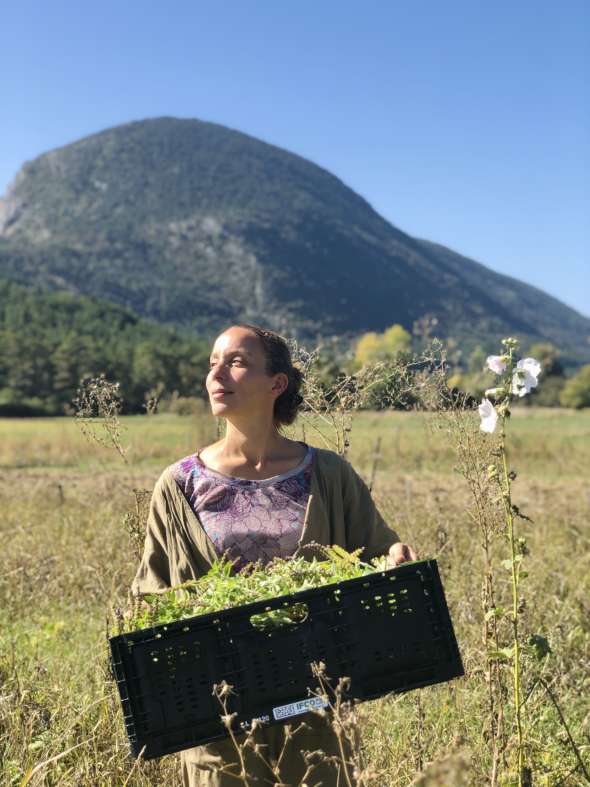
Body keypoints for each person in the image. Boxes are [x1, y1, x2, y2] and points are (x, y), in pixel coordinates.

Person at [132, 323, 418, 786]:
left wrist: (395, 557)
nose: (216, 373)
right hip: (220, 716)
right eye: (212, 363)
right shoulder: (181, 485)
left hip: (314, 706)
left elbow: (378, 549)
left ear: (276, 384)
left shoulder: (327, 474)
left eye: (236, 362)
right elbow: (152, 593)